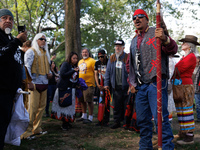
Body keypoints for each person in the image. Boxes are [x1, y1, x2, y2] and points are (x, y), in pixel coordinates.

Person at [129, 9, 178, 149]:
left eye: (140, 17)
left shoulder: (156, 32)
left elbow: (173, 49)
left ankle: (167, 147)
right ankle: (145, 148)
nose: (137, 19)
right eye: (134, 18)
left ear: (147, 19)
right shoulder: (133, 41)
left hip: (155, 83)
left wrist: (165, 39)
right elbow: (130, 64)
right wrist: (131, 82)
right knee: (142, 121)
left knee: (160, 119)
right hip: (140, 86)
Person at [0, 8, 27, 149]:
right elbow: (1, 54)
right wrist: (17, 41)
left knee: (5, 124)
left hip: (12, 91)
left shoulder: (11, 39)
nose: (8, 21)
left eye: (10, 19)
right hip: (1, 90)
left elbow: (17, 62)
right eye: (4, 18)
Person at [22, 33, 52, 139]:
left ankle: (37, 128)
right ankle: (26, 132)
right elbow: (27, 67)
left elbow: (49, 69)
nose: (43, 41)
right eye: (41, 39)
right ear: (36, 40)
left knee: (41, 108)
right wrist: (29, 82)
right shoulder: (31, 52)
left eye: (45, 39)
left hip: (44, 83)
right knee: (32, 108)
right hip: (34, 84)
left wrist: (50, 74)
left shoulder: (45, 53)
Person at [174, 35, 200, 145]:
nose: (182, 44)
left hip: (186, 86)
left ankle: (189, 135)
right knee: (181, 109)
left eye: (184, 42)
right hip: (181, 85)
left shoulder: (191, 57)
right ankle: (183, 132)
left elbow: (178, 68)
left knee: (187, 109)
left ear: (189, 45)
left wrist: (172, 67)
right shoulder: (185, 57)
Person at [104, 40, 129, 129]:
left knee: (126, 106)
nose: (117, 48)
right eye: (116, 46)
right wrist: (106, 84)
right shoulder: (112, 58)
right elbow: (107, 73)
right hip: (116, 87)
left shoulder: (127, 57)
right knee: (116, 106)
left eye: (119, 46)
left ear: (123, 47)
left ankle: (126, 123)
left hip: (126, 87)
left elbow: (131, 72)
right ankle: (116, 122)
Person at [51, 52, 79, 130]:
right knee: (64, 105)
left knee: (69, 106)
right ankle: (64, 123)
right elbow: (63, 74)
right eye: (74, 58)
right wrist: (73, 70)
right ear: (70, 58)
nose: (75, 60)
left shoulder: (74, 66)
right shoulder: (65, 64)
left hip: (71, 89)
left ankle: (68, 121)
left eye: (76, 58)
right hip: (63, 89)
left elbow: (75, 77)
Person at [77, 48, 96, 124]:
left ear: (88, 53)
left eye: (86, 52)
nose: (84, 53)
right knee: (82, 100)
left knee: (89, 100)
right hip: (80, 85)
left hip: (89, 84)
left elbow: (95, 72)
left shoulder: (92, 61)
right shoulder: (80, 61)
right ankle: (84, 116)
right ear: (81, 54)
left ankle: (90, 117)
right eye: (83, 52)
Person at [94, 49, 109, 126]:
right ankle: (100, 119)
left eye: (102, 57)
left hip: (107, 85)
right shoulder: (97, 63)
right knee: (100, 102)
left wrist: (107, 85)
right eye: (99, 57)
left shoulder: (109, 62)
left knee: (107, 102)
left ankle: (106, 119)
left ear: (105, 55)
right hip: (100, 84)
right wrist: (98, 84)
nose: (100, 58)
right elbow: (96, 74)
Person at [167, 55, 176, 122]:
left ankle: (167, 123)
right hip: (164, 83)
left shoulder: (170, 60)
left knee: (167, 104)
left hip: (166, 83)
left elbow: (170, 73)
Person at [194, 56, 200, 122]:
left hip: (198, 88)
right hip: (195, 88)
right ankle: (198, 117)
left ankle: (199, 118)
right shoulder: (194, 67)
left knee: (198, 104)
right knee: (197, 104)